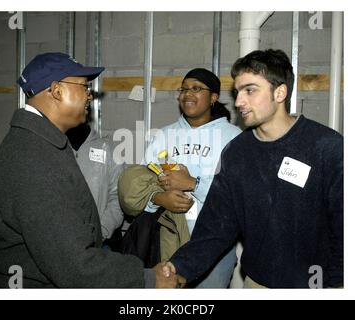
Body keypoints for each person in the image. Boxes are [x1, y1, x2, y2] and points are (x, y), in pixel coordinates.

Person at [0, 52, 183, 288]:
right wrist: (147, 279)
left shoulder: (40, 143)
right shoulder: (34, 158)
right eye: (84, 87)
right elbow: (74, 266)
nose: (89, 96)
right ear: (57, 90)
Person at [158, 49, 343, 288]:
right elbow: (216, 226)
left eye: (250, 90)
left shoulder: (327, 148)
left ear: (280, 92)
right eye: (237, 92)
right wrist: (178, 267)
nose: (238, 102)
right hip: (257, 284)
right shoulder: (237, 152)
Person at [143, 68, 242, 288]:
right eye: (184, 89)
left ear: (214, 97)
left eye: (196, 88)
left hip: (215, 245)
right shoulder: (164, 135)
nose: (188, 94)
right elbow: (141, 184)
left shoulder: (234, 138)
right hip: (168, 238)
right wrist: (159, 198)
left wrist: (192, 184)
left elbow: (237, 198)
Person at [67, 122, 125, 246]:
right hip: (62, 243)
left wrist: (100, 231)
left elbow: (118, 197)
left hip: (101, 245)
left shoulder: (109, 148)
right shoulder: (53, 149)